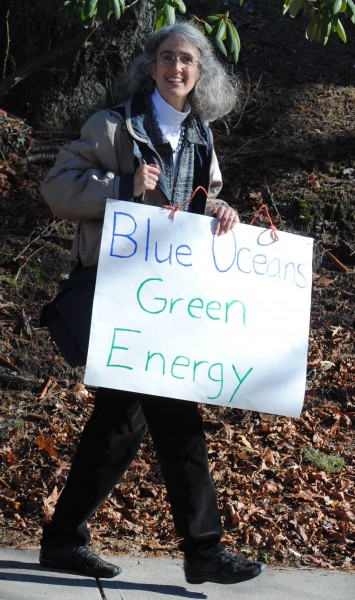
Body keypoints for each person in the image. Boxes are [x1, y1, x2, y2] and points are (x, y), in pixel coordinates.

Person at [39, 22, 266, 586]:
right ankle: (203, 550)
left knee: (121, 421)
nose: (177, 68)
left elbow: (201, 197)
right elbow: (59, 186)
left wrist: (221, 210)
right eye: (167, 57)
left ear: (200, 72)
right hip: (122, 296)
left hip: (168, 303)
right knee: (174, 415)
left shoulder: (201, 135)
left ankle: (63, 539)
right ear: (151, 66)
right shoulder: (114, 126)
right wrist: (120, 185)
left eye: (187, 60)